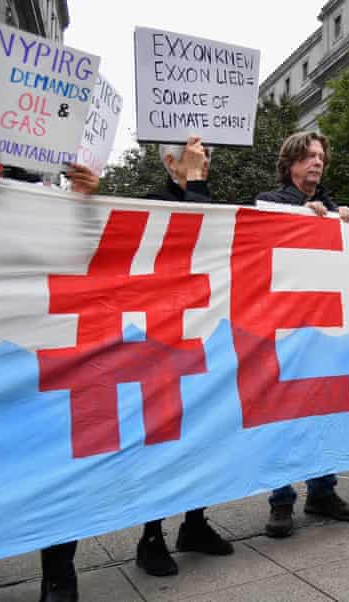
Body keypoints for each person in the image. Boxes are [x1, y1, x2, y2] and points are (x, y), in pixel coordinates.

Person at [0, 77, 101, 602]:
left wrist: (85, 203)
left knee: (55, 467)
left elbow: (87, 262)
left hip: (43, 359)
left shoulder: (49, 196)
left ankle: (59, 576)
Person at [130, 138, 235, 577]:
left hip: (204, 337)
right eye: (195, 154)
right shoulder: (154, 203)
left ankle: (194, 523)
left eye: (207, 154)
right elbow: (187, 238)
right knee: (163, 438)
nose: (205, 160)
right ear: (171, 161)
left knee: (203, 434)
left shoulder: (205, 200)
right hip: (162, 343)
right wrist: (195, 186)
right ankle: (150, 537)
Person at [255, 131, 349, 537]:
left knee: (322, 412)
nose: (316, 162)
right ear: (290, 164)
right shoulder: (270, 203)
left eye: (321, 157)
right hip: (282, 327)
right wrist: (302, 215)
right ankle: (281, 501)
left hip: (322, 326)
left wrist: (348, 225)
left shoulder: (334, 208)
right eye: (308, 156)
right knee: (283, 415)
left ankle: (322, 491)